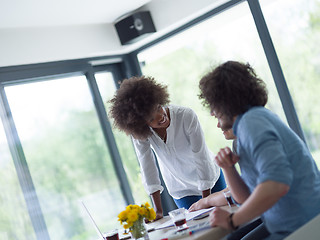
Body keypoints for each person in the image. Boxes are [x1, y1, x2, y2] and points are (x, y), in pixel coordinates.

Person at [198, 60, 320, 239]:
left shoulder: (251, 123)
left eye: (213, 104)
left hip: (304, 227)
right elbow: (247, 199)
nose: (212, 113)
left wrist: (233, 220)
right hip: (292, 225)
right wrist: (228, 168)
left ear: (226, 100)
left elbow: (277, 184)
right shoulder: (250, 124)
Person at [108, 76, 226, 220]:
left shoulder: (186, 116)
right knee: (199, 229)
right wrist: (157, 211)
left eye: (158, 108)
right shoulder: (141, 134)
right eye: (151, 118)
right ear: (142, 124)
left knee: (226, 220)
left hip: (211, 179)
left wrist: (205, 200)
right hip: (181, 189)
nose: (160, 116)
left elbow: (200, 156)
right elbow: (147, 167)